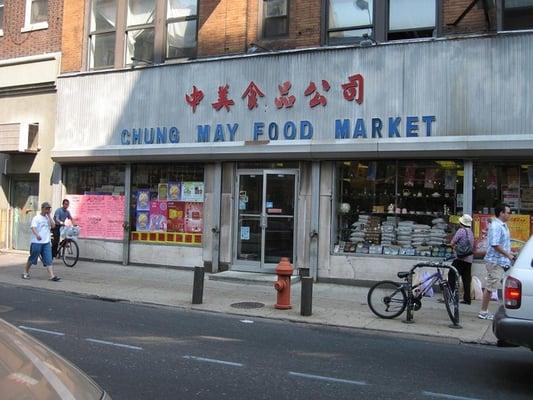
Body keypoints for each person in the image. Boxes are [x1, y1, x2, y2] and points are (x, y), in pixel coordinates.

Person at [478, 204, 514, 320]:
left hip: (503, 261)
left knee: (504, 285)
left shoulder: (503, 226)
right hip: (495, 262)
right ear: (501, 213)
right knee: (490, 287)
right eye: (508, 212)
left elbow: (503, 243)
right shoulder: (496, 226)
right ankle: (483, 312)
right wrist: (507, 254)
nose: (509, 214)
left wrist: (510, 253)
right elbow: (495, 244)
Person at [22, 202, 61, 281]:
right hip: (37, 242)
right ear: (42, 208)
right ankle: (25, 272)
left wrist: (49, 216)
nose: (47, 210)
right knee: (33, 258)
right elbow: (33, 227)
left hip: (46, 242)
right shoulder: (37, 218)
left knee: (48, 259)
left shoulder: (47, 218)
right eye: (46, 208)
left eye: (49, 209)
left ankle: (52, 276)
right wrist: (37, 235)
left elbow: (53, 226)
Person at [449, 214, 474, 305]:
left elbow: (452, 243)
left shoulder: (461, 231)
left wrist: (455, 247)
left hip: (459, 258)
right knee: (466, 279)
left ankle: (450, 297)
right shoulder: (471, 232)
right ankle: (467, 299)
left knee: (451, 275)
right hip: (469, 259)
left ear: (461, 223)